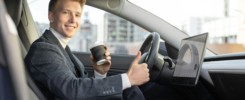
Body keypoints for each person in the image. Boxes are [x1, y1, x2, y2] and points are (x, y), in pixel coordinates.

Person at [24, 0, 150, 100]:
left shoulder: (60, 47)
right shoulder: (43, 50)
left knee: (129, 90)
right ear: (51, 16)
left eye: (77, 14)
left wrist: (100, 74)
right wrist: (128, 79)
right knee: (130, 89)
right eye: (66, 12)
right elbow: (71, 90)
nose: (73, 20)